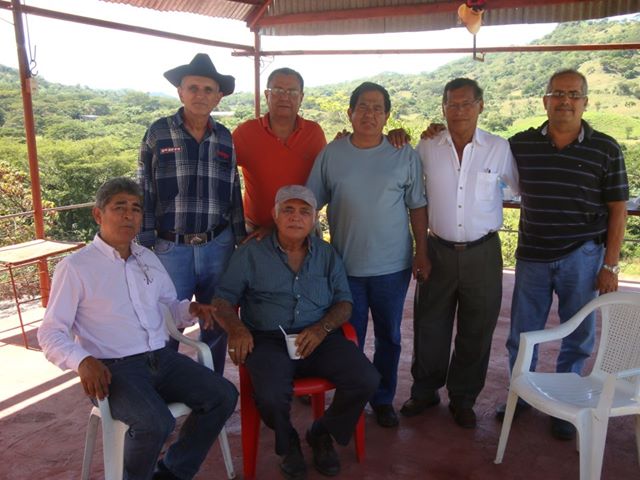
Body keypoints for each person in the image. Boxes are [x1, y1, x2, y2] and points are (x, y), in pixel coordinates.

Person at [37, 177, 238, 480]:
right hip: (112, 369)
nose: (129, 215)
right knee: (155, 423)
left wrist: (191, 309)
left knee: (223, 395)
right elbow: (50, 332)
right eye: (119, 207)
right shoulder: (76, 267)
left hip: (161, 359)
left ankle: (172, 472)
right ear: (98, 214)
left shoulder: (147, 257)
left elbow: (169, 306)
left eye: (135, 208)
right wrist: (82, 361)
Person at [212, 185, 379, 480]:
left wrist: (321, 328)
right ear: (275, 215)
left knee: (366, 378)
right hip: (267, 340)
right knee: (270, 395)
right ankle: (288, 441)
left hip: (319, 337)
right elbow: (222, 300)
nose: (295, 217)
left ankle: (321, 432)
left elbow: (344, 303)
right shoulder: (250, 253)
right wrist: (236, 329)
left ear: (314, 219)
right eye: (288, 210)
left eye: (304, 212)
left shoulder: (326, 254)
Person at [499, 69, 628, 441]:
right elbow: (482, 153)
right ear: (545, 101)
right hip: (532, 254)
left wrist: (610, 264)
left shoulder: (606, 148)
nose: (565, 101)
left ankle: (566, 403)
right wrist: (434, 133)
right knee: (523, 333)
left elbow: (618, 209)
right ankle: (521, 395)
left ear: (585, 102)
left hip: (583, 256)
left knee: (579, 334)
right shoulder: (520, 144)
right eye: (557, 94)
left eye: (573, 94)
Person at [306, 82, 429, 429]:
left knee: (389, 336)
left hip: (393, 267)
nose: (369, 114)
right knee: (350, 338)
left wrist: (422, 252)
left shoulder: (404, 154)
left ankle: (383, 398)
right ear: (350, 113)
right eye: (363, 106)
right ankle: (352, 398)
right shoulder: (332, 154)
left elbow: (417, 206)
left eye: (377, 108)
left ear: (387, 116)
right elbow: (311, 204)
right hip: (345, 267)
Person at [399, 78, 519, 429]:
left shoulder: (498, 147)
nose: (459, 110)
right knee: (429, 325)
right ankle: (425, 391)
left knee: (477, 329)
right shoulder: (427, 145)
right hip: (436, 250)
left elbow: (520, 187)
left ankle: (463, 398)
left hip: (483, 252)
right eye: (452, 104)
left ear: (481, 106)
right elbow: (411, 191)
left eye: (467, 103)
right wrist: (420, 250)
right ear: (443, 107)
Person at [137, 53, 246, 375]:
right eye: (193, 88)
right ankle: (164, 386)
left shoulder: (224, 137)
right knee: (167, 324)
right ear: (180, 92)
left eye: (208, 89)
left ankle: (211, 388)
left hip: (217, 246)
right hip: (171, 248)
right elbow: (144, 188)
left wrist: (240, 239)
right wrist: (144, 244)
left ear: (218, 96)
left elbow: (233, 189)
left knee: (217, 321)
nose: (200, 95)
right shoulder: (159, 133)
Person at [233, 67, 326, 240]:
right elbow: (220, 173)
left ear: (301, 97)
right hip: (256, 233)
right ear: (267, 95)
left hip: (302, 230)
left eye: (292, 92)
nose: (285, 97)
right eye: (278, 90)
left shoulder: (314, 133)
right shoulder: (246, 132)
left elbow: (325, 181)